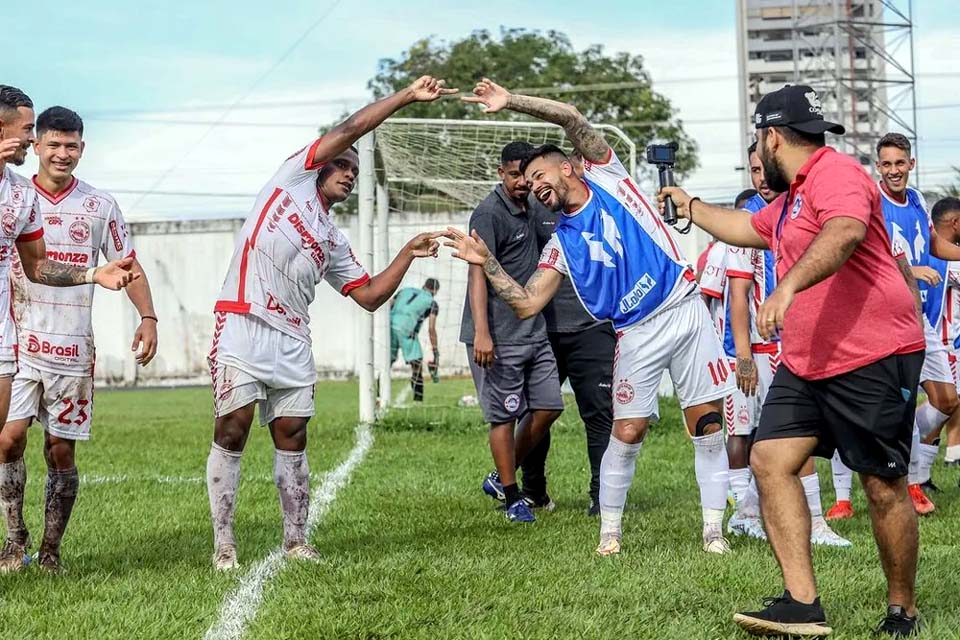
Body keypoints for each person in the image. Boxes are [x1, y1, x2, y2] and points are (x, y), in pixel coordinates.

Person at [660, 84, 925, 638]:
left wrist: (786, 287)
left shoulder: (836, 174)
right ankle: (803, 604)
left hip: (873, 353)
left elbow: (845, 230)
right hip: (808, 361)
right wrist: (691, 207)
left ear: (772, 137)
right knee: (770, 459)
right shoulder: (792, 198)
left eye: (759, 141)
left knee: (882, 485)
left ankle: (902, 607)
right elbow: (745, 228)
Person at [451, 79, 735, 555]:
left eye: (540, 175)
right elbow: (526, 302)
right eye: (529, 184)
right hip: (635, 332)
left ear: (568, 166)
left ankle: (713, 532)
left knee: (706, 425)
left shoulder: (609, 177)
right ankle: (610, 534)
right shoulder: (560, 243)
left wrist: (511, 100)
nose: (535, 186)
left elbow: (570, 116)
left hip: (685, 308)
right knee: (627, 432)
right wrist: (487, 262)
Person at [205, 76, 454, 571]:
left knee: (293, 434)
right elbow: (351, 128)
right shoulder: (291, 179)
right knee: (233, 429)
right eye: (342, 164)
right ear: (321, 164)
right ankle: (224, 544)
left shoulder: (333, 239)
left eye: (355, 170)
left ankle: (296, 540)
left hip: (293, 339)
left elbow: (369, 296)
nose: (349, 173)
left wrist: (407, 252)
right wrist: (407, 96)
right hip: (243, 323)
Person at [0, 106, 158, 574]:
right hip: (20, 340)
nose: (62, 153)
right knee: (8, 440)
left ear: (82, 149)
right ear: (36, 146)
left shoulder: (99, 205)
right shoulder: (15, 196)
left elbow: (128, 265)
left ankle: (51, 552)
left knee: (60, 449)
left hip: (72, 348)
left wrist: (148, 316)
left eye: (71, 146)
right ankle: (14, 541)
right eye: (53, 144)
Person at [827, 133, 960, 519]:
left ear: (911, 164)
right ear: (878, 167)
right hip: (885, 318)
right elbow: (862, 254)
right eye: (886, 164)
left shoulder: (916, 199)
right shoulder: (870, 201)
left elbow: (932, 244)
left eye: (899, 163)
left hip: (919, 317)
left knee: (947, 400)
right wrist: (910, 271)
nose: (893, 170)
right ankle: (911, 484)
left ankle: (901, 453)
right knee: (896, 405)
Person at [725, 144, 850, 547]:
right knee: (793, 435)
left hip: (803, 342)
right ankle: (815, 523)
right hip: (764, 351)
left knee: (786, 440)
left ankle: (747, 513)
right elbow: (738, 296)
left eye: (765, 169)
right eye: (753, 171)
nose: (761, 178)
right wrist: (744, 356)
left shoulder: (802, 210)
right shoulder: (749, 222)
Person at [459, 140, 564, 523]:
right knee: (502, 417)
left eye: (527, 175)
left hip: (534, 329)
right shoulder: (488, 213)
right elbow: (476, 274)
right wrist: (482, 333)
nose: (522, 182)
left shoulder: (535, 207)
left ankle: (499, 476)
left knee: (549, 407)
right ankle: (512, 496)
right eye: (515, 174)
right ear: (501, 172)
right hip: (498, 336)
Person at [519, 150, 616, 517]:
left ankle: (601, 496)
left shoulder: (606, 199)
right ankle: (533, 491)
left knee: (600, 414)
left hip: (594, 327)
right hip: (544, 329)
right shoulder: (537, 206)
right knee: (538, 412)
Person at [389, 278, 440, 402]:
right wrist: (435, 351)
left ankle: (380, 396)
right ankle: (418, 399)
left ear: (424, 286)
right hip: (407, 330)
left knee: (386, 363)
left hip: (389, 326)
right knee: (417, 365)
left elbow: (390, 304)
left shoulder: (405, 290)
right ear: (435, 291)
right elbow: (431, 329)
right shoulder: (432, 303)